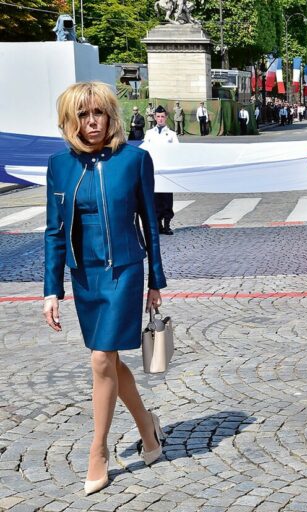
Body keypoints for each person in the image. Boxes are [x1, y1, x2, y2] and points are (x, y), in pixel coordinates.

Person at [43, 81, 167, 495]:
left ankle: (97, 450)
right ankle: (147, 428)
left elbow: (150, 224)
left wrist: (155, 280)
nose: (91, 121)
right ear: (70, 120)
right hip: (85, 276)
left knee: (100, 358)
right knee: (108, 360)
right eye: (82, 114)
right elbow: (54, 231)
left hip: (124, 271)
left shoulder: (134, 159)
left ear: (111, 115)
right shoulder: (59, 165)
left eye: (98, 112)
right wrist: (51, 290)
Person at [143, 105, 178, 235]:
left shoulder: (172, 134)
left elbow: (177, 151)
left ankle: (167, 224)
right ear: (155, 117)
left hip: (166, 170)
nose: (160, 119)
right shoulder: (149, 133)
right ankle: (158, 224)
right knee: (155, 198)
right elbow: (145, 150)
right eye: (158, 116)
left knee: (167, 198)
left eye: (162, 116)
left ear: (166, 117)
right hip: (153, 170)